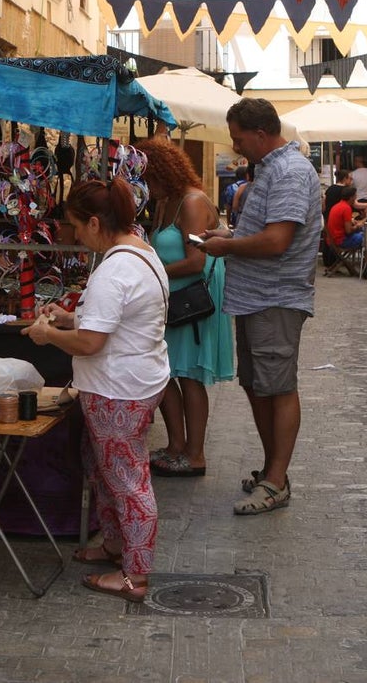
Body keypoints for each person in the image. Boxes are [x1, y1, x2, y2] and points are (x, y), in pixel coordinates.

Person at [22, 177, 170, 602]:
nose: (73, 235)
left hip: (118, 388)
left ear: (93, 221)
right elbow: (108, 324)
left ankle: (135, 576)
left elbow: (92, 343)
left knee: (127, 479)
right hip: (134, 380)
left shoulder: (115, 268)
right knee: (103, 466)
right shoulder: (140, 253)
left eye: (75, 226)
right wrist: (69, 318)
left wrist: (48, 335)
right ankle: (114, 544)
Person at [197, 97, 321, 515]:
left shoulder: (288, 171)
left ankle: (276, 480)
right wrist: (228, 233)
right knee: (258, 385)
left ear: (261, 134)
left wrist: (226, 245)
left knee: (278, 387)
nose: (236, 147)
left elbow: (277, 241)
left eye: (239, 139)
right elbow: (264, 229)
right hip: (255, 297)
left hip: (276, 298)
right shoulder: (270, 168)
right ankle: (273, 472)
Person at [134, 138, 234, 479]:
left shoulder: (191, 203)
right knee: (166, 374)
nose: (145, 185)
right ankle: (176, 446)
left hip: (191, 300)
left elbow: (195, 262)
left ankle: (195, 454)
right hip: (170, 297)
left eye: (147, 177)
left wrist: (151, 271)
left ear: (162, 172)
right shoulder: (166, 202)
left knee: (189, 375)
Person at [327, 186, 364, 251]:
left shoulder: (337, 206)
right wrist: (358, 226)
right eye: (355, 196)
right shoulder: (346, 208)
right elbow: (348, 231)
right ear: (351, 197)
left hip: (332, 239)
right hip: (341, 240)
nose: (356, 198)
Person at [229, 163, 255, 227]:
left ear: (247, 175)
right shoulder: (262, 187)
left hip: (242, 218)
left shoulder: (241, 187)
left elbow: (234, 206)